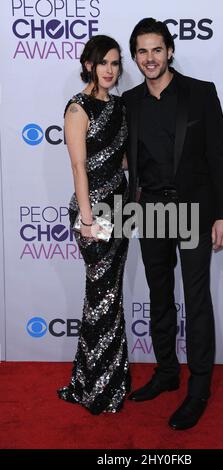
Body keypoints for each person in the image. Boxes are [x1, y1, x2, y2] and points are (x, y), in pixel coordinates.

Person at [123, 18, 223, 430]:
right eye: (141, 51)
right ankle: (167, 372)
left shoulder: (200, 93)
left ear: (170, 51)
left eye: (156, 49)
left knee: (196, 297)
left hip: (193, 209)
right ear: (135, 56)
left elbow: (219, 157)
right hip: (150, 209)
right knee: (158, 295)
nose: (149, 58)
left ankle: (199, 388)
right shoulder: (130, 101)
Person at [57, 35, 130, 414]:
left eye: (115, 63)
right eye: (103, 62)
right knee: (101, 294)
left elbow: (120, 159)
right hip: (94, 214)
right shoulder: (77, 108)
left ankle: (105, 379)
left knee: (110, 295)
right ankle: (95, 385)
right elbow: (78, 166)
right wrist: (87, 221)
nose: (109, 70)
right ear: (88, 64)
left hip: (121, 209)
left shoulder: (119, 106)